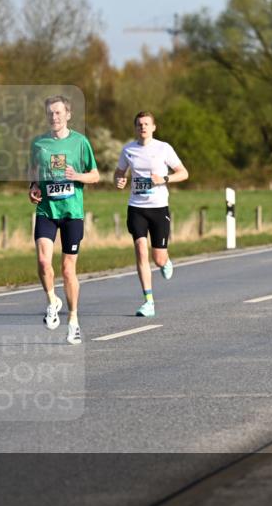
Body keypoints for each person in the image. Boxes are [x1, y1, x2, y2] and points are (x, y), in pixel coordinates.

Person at [28, 95, 100, 345]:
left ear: (68, 115)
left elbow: (95, 175)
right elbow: (34, 174)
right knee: (42, 261)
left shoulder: (80, 142)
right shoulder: (38, 143)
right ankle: (51, 301)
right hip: (47, 211)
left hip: (72, 213)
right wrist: (34, 187)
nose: (54, 117)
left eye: (58, 113)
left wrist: (77, 175)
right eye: (50, 113)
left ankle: (73, 320)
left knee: (68, 270)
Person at [113, 111, 189, 317]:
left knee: (158, 258)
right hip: (136, 207)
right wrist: (119, 180)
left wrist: (164, 179)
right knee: (140, 248)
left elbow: (183, 173)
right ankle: (148, 301)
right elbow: (119, 172)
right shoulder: (128, 150)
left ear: (153, 127)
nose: (143, 127)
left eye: (146, 124)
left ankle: (166, 261)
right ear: (135, 128)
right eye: (139, 124)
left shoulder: (164, 148)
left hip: (159, 207)